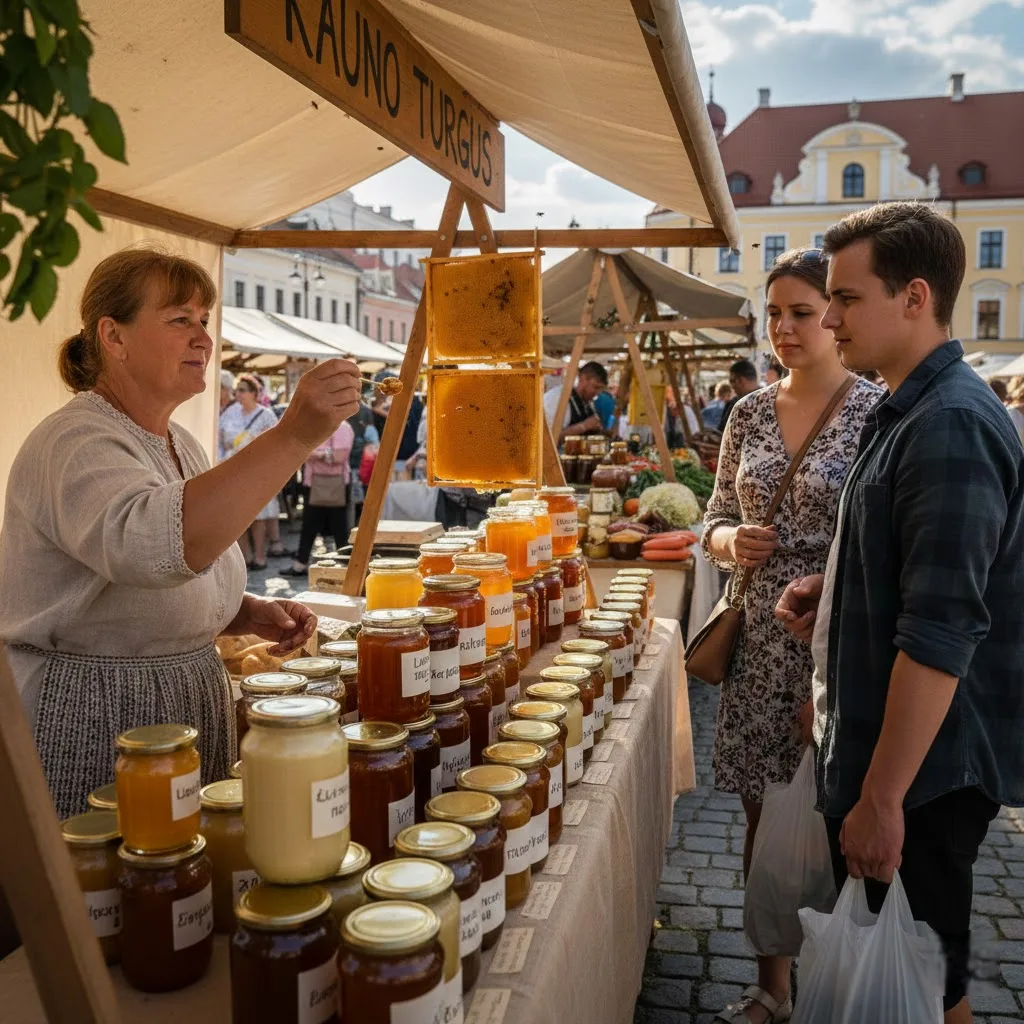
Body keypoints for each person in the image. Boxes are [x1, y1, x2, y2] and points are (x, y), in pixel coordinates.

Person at [0, 246, 361, 817]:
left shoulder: (180, 444)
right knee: (122, 890)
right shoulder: (74, 441)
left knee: (182, 889)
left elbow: (171, 569)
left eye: (204, 322)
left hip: (181, 709)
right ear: (112, 336)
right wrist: (296, 434)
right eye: (179, 320)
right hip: (97, 721)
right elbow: (154, 548)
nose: (202, 339)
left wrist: (232, 610)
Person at [775, 202, 1024, 1024]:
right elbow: (916, 580)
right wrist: (839, 595)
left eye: (846, 298)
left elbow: (943, 632)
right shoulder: (910, 408)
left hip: (925, 774)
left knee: (926, 984)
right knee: (913, 974)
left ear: (914, 297)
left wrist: (881, 800)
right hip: (906, 760)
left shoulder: (948, 420)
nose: (831, 315)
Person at [702, 248, 882, 1024]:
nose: (783, 328)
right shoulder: (746, 413)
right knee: (761, 820)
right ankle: (772, 987)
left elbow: (887, 545)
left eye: (801, 312)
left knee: (840, 821)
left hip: (838, 637)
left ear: (834, 315)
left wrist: (838, 663)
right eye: (772, 313)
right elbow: (711, 517)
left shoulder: (877, 410)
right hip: (757, 643)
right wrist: (728, 540)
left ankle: (840, 982)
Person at [219, 373, 281, 570]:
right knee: (238, 514)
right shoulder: (230, 413)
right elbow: (220, 438)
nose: (239, 394)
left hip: (257, 469)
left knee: (259, 514)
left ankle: (260, 556)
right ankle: (244, 558)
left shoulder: (266, 415)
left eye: (243, 390)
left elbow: (275, 444)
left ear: (254, 393)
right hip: (233, 467)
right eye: (237, 390)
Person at [281, 419, 355, 577]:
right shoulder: (316, 425)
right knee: (309, 525)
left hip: (333, 484)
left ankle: (349, 567)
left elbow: (339, 457)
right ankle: (300, 563)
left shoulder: (341, 427)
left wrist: (314, 454)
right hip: (313, 482)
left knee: (339, 527)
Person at [543, 360, 609, 442]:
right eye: (595, 387)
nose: (598, 393)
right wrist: (584, 426)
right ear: (583, 379)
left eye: (600, 389)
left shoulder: (587, 402)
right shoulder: (559, 398)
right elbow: (548, 439)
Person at [719, 359, 760, 432]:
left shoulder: (736, 404)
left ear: (741, 380)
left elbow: (723, 434)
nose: (731, 386)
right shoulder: (772, 399)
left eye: (732, 381)